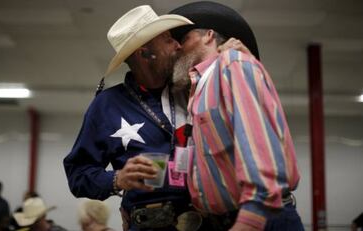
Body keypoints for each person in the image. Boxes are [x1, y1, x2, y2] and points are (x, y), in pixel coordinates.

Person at [169, 2, 304, 231]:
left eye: (183, 37)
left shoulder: (232, 65)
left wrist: (251, 220)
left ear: (209, 35)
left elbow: (258, 146)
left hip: (260, 219)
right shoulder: (200, 89)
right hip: (226, 220)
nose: (177, 47)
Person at [63, 5, 198, 231]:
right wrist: (117, 179)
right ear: (144, 53)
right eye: (167, 40)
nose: (177, 45)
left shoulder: (192, 92)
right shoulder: (107, 105)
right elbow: (77, 174)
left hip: (203, 221)